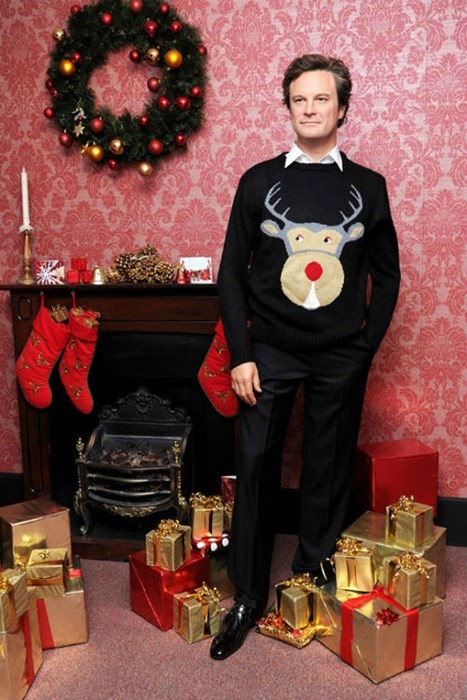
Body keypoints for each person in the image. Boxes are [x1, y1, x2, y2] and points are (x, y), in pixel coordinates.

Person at [210, 53, 400, 660]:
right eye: (300, 99)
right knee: (256, 466)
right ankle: (247, 596)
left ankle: (310, 581)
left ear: (342, 109)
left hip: (341, 355)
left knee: (327, 468)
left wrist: (364, 347)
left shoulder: (368, 186)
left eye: (322, 99)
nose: (311, 109)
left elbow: (388, 276)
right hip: (268, 352)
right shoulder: (257, 181)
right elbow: (231, 274)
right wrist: (241, 355)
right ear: (288, 108)